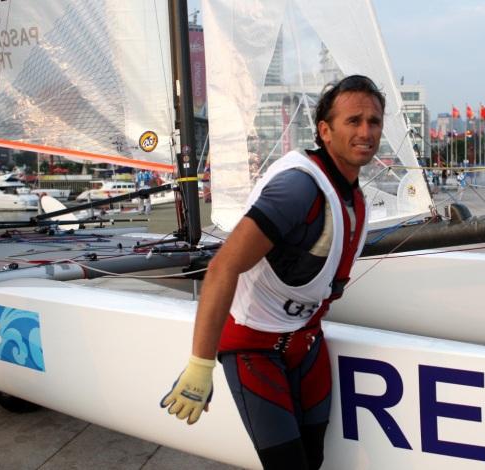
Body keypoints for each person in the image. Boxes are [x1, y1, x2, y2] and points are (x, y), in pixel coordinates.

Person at [161, 75, 383, 469]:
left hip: (306, 342)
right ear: (325, 131)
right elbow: (223, 266)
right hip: (254, 348)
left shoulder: (353, 196)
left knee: (313, 459)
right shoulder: (299, 189)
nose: (365, 132)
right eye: (353, 121)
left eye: (374, 121)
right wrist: (200, 365)